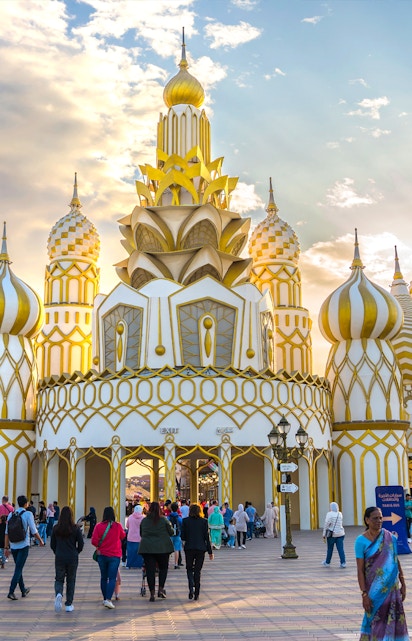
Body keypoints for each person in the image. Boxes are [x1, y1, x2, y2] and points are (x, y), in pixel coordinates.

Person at [355, 506, 409, 641]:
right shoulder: (360, 541)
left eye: (380, 518)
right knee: (374, 621)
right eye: (375, 518)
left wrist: (403, 582)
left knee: (394, 619)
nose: (379, 521)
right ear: (367, 520)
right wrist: (364, 594)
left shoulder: (389, 537)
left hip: (392, 588)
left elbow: (395, 560)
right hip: (373, 591)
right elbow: (360, 570)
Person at [4, 495, 45, 600]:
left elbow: (7, 533)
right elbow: (33, 530)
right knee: (18, 568)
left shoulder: (11, 515)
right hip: (23, 545)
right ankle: (11, 591)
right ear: (26, 504)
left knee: (19, 567)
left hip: (13, 545)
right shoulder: (28, 514)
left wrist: (6, 548)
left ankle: (23, 590)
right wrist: (40, 541)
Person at [50, 505, 84, 612]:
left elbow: (52, 544)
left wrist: (57, 552)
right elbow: (81, 544)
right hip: (72, 557)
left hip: (60, 557)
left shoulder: (56, 528)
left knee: (59, 579)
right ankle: (69, 604)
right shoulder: (75, 528)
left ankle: (59, 593)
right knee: (71, 580)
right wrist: (76, 552)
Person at [139, 501, 174, 602]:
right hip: (163, 548)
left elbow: (141, 533)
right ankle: (161, 589)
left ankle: (152, 593)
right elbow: (171, 532)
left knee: (150, 570)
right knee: (163, 568)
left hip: (147, 548)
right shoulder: (164, 520)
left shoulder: (144, 521)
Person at [91, 506, 126, 609]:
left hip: (102, 555)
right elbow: (123, 536)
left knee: (103, 577)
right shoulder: (118, 526)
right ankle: (108, 599)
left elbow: (94, 541)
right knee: (112, 578)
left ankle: (105, 598)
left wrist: (99, 546)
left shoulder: (98, 526)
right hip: (114, 555)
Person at [181, 503, 213, 600]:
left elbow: (183, 536)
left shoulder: (185, 521)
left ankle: (191, 587)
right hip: (200, 549)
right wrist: (210, 552)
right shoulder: (204, 521)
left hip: (189, 548)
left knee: (189, 568)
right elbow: (207, 537)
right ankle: (197, 592)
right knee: (198, 570)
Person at [321, 501, 346, 568]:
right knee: (340, 549)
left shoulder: (329, 514)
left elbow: (326, 524)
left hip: (332, 535)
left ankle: (327, 562)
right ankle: (343, 563)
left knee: (330, 549)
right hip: (341, 534)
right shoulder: (340, 514)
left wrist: (324, 534)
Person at [168, 502, 183, 569]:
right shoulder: (179, 518)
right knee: (177, 549)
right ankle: (176, 564)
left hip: (169, 535)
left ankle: (167, 563)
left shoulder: (168, 517)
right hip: (177, 535)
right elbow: (182, 526)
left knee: (168, 550)